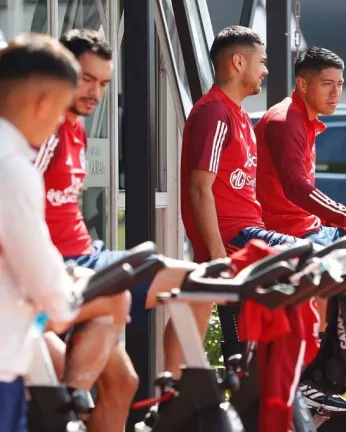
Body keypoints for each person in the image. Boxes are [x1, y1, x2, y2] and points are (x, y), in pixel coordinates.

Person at [35, 29, 199, 431]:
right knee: (135, 293)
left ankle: (174, 391)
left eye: (104, 84)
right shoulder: (44, 131)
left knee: (124, 382)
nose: (95, 92)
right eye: (86, 79)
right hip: (62, 265)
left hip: (87, 254)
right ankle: (66, 414)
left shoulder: (75, 129)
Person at [180, 26, 346, 413]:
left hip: (250, 233)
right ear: (238, 62)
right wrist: (217, 255)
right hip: (236, 237)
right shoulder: (214, 113)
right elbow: (199, 189)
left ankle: (273, 393)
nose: (267, 71)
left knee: (245, 343)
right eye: (262, 62)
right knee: (317, 261)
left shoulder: (238, 116)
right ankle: (307, 380)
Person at [0, 32, 130, 432]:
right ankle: (69, 407)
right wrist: (69, 290)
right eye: (59, 108)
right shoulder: (14, 168)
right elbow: (45, 283)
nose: (61, 121)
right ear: (42, 103)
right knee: (117, 297)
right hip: (5, 356)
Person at [254, 46, 346, 359]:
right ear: (302, 84)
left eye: (340, 85)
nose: (335, 93)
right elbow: (296, 188)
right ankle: (330, 387)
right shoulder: (285, 120)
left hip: (315, 231)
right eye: (327, 84)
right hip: (294, 239)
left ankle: (337, 343)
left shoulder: (305, 120)